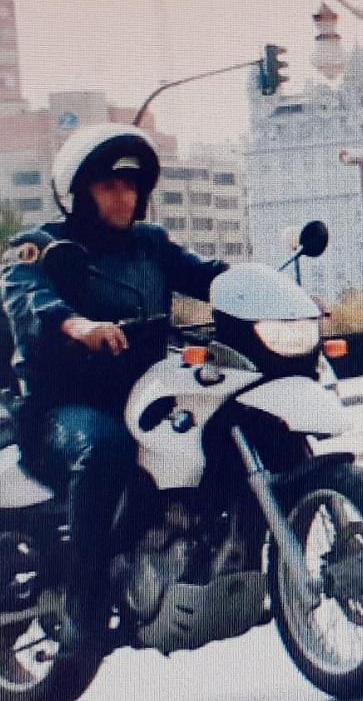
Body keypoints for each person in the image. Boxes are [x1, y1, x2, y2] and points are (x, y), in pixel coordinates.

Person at [1, 123, 228, 655]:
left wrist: (263, 290)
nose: (123, 197)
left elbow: (206, 275)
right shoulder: (40, 247)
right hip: (61, 408)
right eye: (108, 186)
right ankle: (84, 604)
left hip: (144, 396)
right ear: (79, 193)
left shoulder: (152, 245)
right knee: (103, 448)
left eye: (130, 187)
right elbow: (29, 300)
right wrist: (79, 327)